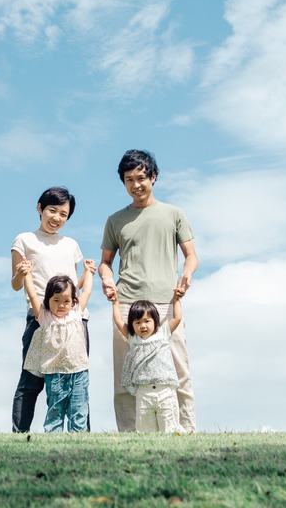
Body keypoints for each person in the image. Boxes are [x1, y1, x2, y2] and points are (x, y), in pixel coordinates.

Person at [98, 149, 198, 432]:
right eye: (129, 179)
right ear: (124, 183)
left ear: (153, 177)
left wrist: (186, 274)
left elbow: (192, 256)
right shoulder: (115, 220)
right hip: (128, 304)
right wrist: (106, 280)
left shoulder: (174, 214)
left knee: (178, 371)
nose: (136, 185)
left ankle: (186, 430)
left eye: (141, 178)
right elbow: (105, 263)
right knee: (125, 374)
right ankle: (130, 433)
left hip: (166, 304)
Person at [9, 187, 93, 433]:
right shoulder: (24, 240)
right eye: (52, 210)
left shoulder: (71, 244)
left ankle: (82, 435)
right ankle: (20, 433)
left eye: (63, 214)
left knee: (77, 378)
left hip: (74, 322)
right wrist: (21, 274)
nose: (56, 218)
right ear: (39, 208)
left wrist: (87, 274)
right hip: (41, 319)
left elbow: (73, 287)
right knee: (31, 380)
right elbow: (15, 285)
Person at [21, 271, 93, 432]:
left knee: (79, 408)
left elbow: (87, 290)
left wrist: (88, 272)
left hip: (78, 371)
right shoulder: (45, 316)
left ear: (73, 301)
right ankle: (53, 437)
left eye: (66, 301)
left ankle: (79, 439)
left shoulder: (76, 313)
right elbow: (32, 294)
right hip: (55, 373)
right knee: (55, 408)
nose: (61, 305)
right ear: (48, 300)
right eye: (56, 300)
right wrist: (27, 275)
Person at [110, 288, 184, 432]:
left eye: (146, 321)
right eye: (137, 322)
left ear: (155, 321)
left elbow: (177, 318)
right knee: (145, 430)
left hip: (165, 389)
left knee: (169, 428)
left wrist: (176, 300)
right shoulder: (133, 339)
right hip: (144, 392)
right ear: (132, 325)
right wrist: (115, 303)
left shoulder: (163, 332)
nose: (142, 325)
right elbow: (119, 321)